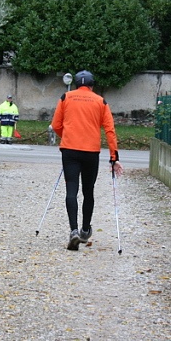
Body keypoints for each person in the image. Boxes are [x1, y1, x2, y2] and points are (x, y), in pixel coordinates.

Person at [50, 70, 124, 251]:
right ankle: (85, 230)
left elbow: (56, 125)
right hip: (91, 152)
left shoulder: (65, 97)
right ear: (92, 85)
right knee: (88, 191)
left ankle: (73, 231)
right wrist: (114, 157)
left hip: (69, 150)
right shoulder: (100, 101)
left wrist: (67, 137)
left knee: (71, 189)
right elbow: (110, 130)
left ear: (76, 84)